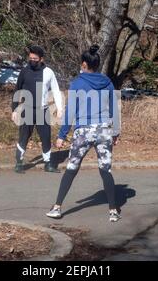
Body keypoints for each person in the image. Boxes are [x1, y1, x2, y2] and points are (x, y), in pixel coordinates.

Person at [46, 45, 121, 222]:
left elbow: (70, 111)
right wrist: (116, 132)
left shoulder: (78, 83)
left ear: (85, 64)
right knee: (105, 169)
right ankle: (113, 211)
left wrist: (61, 135)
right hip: (104, 130)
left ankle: (57, 207)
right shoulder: (107, 82)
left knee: (72, 168)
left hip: (83, 131)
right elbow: (114, 108)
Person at [11, 45, 63, 173]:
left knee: (45, 137)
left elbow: (56, 90)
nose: (32, 60)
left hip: (43, 110)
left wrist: (60, 107)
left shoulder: (48, 72)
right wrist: (14, 109)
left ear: (41, 59)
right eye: (30, 58)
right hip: (27, 109)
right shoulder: (24, 71)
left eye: (35, 58)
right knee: (24, 136)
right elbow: (17, 90)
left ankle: (48, 163)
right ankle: (19, 163)